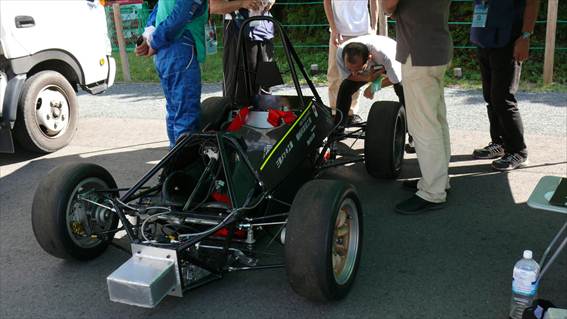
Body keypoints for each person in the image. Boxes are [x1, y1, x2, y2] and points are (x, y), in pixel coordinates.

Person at [382, 0, 453, 215]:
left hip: (419, 53)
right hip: (438, 48)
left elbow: (388, 5)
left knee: (423, 126)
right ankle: (438, 180)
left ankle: (433, 192)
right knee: (437, 120)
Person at [470, 0, 539, 171]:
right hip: (484, 38)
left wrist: (525, 36)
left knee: (503, 99)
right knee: (490, 97)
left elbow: (532, 3)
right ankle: (499, 143)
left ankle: (519, 152)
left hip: (508, 39)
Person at [135, 0, 208, 148]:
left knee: (175, 113)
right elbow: (181, 14)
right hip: (180, 48)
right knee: (186, 116)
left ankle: (173, 164)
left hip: (166, 53)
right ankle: (185, 167)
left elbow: (159, 8)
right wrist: (154, 41)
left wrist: (149, 34)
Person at [210, 0, 275, 105]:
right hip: (238, 33)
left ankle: (265, 118)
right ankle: (237, 119)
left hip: (265, 33)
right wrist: (242, 3)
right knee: (239, 95)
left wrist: (270, 1)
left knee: (266, 91)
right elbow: (213, 7)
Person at [324, 0, 379, 123]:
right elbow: (327, 2)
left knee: (358, 74)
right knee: (334, 74)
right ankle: (335, 113)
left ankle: (351, 112)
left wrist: (374, 27)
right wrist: (334, 29)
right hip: (340, 33)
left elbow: (374, 2)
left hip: (362, 32)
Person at [334, 35, 404, 127]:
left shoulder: (386, 56)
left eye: (358, 69)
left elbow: (395, 79)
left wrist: (373, 87)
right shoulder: (340, 52)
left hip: (392, 57)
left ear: (369, 58)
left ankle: (408, 125)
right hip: (370, 68)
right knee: (346, 87)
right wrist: (368, 78)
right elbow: (348, 76)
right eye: (349, 69)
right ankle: (339, 127)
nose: (354, 73)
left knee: (401, 88)